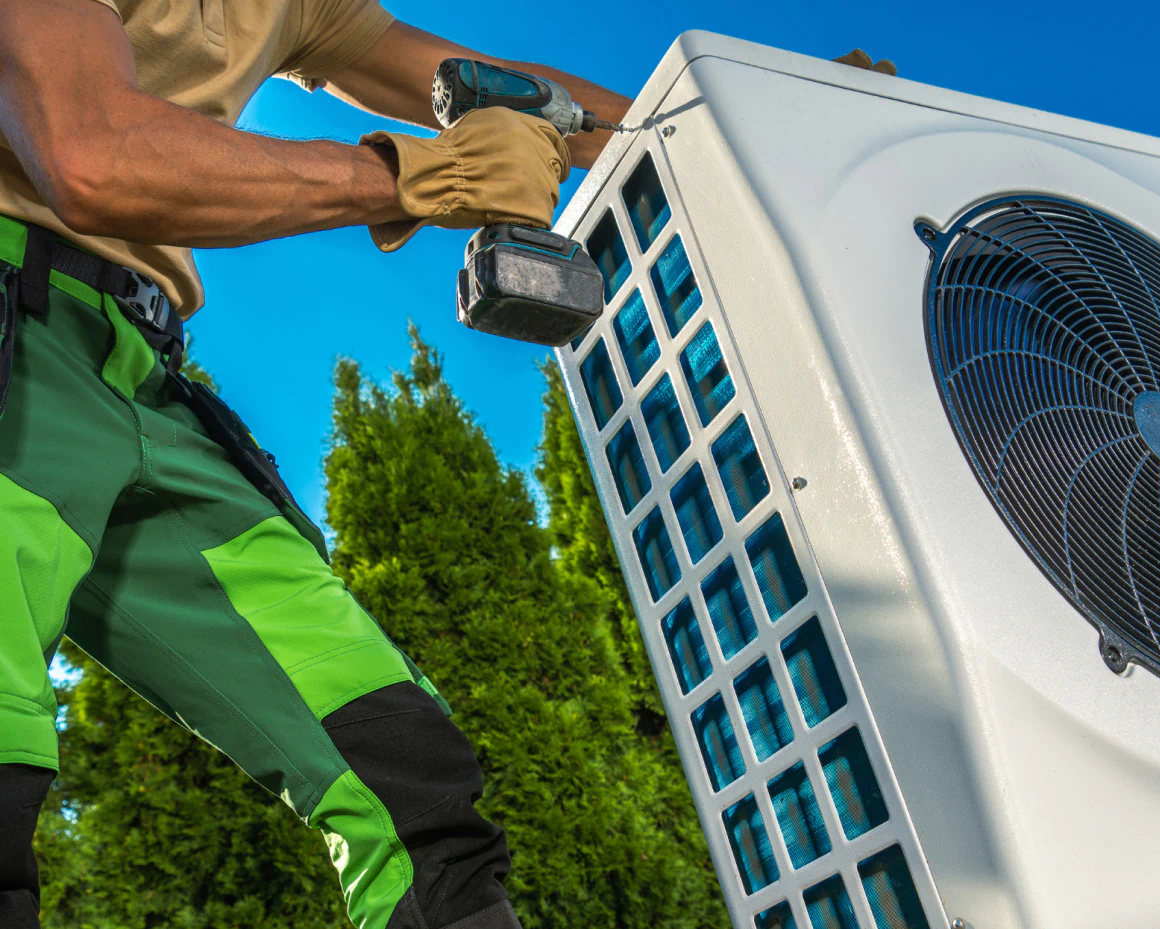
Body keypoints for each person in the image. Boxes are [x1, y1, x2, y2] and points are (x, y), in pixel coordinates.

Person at [0, 0, 894, 923]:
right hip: (16, 326)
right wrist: (419, 176)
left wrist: (760, 117)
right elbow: (90, 156)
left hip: (142, 369)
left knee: (407, 782)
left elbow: (535, 103)